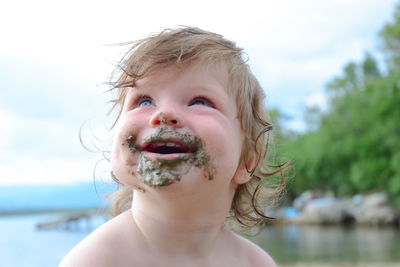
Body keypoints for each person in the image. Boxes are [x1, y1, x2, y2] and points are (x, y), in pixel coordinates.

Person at [60, 27, 288, 267]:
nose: (164, 113)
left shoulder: (254, 263)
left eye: (200, 101)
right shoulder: (96, 260)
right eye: (144, 100)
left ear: (247, 161)